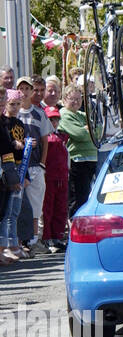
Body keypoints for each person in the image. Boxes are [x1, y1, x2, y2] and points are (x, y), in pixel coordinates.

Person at [16, 76, 52, 254]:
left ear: (31, 91)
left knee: (36, 204)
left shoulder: (39, 113)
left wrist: (43, 164)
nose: (24, 92)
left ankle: (34, 240)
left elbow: (45, 140)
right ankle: (19, 241)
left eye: (27, 89)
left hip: (35, 165)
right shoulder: (12, 113)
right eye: (20, 89)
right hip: (17, 167)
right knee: (18, 205)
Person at [60, 84, 98, 220]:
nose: (76, 102)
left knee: (88, 196)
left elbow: (98, 131)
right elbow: (79, 135)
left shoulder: (82, 114)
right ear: (64, 100)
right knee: (77, 199)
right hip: (77, 161)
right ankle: (75, 228)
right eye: (72, 99)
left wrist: (88, 130)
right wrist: (87, 130)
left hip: (91, 159)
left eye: (78, 99)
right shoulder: (64, 115)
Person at [0, 90, 27, 264]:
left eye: (2, 102)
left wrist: (12, 176)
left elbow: (6, 151)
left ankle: (3, 249)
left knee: (5, 210)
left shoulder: (5, 124)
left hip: (6, 168)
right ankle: (6, 247)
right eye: (3, 102)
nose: (2, 106)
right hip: (4, 167)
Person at [42, 105, 69, 250]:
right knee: (48, 209)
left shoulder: (62, 136)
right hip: (49, 178)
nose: (54, 122)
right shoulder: (45, 137)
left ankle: (57, 236)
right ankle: (46, 238)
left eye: (56, 119)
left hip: (62, 177)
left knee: (61, 208)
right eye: (51, 119)